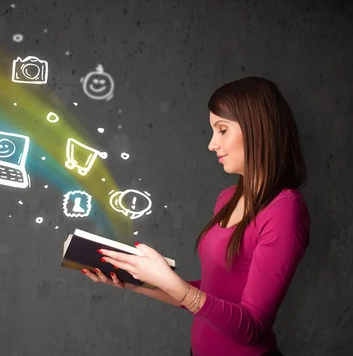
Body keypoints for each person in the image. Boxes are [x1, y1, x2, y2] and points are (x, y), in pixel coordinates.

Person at [82, 77, 310, 356]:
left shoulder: (285, 209)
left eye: (222, 130)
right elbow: (214, 294)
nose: (212, 144)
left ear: (257, 129)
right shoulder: (227, 198)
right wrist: (133, 280)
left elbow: (251, 327)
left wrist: (171, 283)